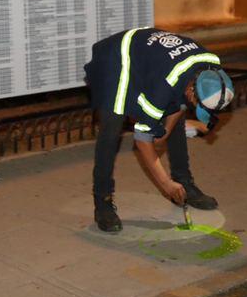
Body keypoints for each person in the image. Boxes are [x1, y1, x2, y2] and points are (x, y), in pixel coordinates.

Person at [84, 28, 235, 233]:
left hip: (153, 60)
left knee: (174, 114)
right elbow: (142, 140)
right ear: (192, 89)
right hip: (117, 57)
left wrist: (165, 131)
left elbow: (180, 102)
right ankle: (102, 201)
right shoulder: (164, 86)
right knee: (112, 126)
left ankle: (184, 183)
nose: (194, 109)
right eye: (197, 104)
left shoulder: (210, 67)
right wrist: (164, 184)